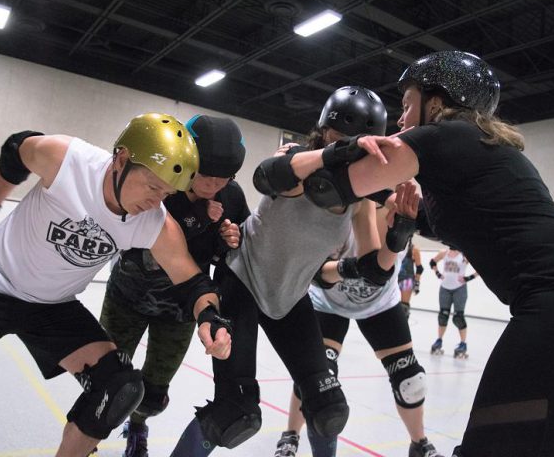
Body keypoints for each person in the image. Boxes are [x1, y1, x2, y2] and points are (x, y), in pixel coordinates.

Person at [282, 50, 554, 456]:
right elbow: (447, 222)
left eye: (406, 106)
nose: (400, 120)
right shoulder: (483, 152)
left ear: (436, 103)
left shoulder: (442, 136)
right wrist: (405, 222)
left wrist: (295, 160)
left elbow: (332, 186)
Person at [0, 113, 234, 457]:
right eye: (153, 186)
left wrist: (209, 318)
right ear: (122, 159)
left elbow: (191, 280)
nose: (156, 201)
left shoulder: (152, 220)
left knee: (120, 389)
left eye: (167, 193)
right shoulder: (67, 160)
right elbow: (14, 151)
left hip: (52, 308)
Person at [169, 85, 397, 456]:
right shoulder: (296, 157)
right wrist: (339, 153)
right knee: (235, 412)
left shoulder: (360, 199)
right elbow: (268, 176)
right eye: (341, 139)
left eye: (355, 144)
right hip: (241, 281)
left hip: (290, 296)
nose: (347, 151)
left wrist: (399, 234)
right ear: (324, 132)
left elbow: (374, 270)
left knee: (328, 407)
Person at [272, 86, 441, 457]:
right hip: (326, 299)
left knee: (410, 381)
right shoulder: (313, 191)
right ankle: (291, 433)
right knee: (316, 378)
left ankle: (419, 442)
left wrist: (396, 227)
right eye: (339, 146)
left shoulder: (379, 192)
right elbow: (319, 272)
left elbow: (375, 269)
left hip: (378, 301)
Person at [99, 114, 250, 457]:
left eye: (223, 179)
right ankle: (88, 437)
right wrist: (198, 219)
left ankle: (138, 426)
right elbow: (146, 234)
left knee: (152, 394)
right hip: (129, 294)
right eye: (205, 176)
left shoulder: (231, 195)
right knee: (104, 382)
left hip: (181, 308)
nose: (213, 185)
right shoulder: (162, 180)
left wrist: (228, 238)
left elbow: (221, 257)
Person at [428, 248, 478, 359]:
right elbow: (432, 262)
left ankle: (463, 344)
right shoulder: (444, 253)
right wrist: (437, 273)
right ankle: (439, 341)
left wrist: (469, 278)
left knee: (458, 317)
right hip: (445, 288)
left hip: (459, 288)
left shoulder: (464, 254)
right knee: (443, 315)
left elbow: (481, 266)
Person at [398, 237, 424, 317]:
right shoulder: (395, 246)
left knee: (404, 308)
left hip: (406, 279)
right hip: (393, 278)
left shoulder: (414, 249)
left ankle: (402, 328)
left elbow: (419, 268)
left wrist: (416, 284)